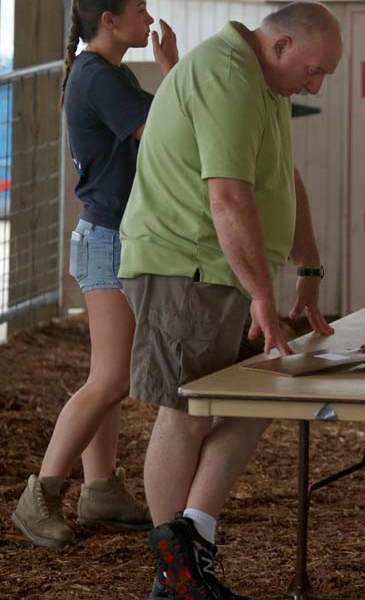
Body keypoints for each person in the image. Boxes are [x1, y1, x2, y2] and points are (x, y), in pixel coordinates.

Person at [116, 2, 339, 597]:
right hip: (187, 265)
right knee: (187, 410)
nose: (314, 85)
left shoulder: (263, 82)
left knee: (257, 397)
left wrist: (309, 264)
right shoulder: (226, 75)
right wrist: (263, 295)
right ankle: (176, 574)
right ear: (282, 45)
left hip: (222, 270)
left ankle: (194, 545)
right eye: (314, 71)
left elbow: (283, 176)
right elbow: (228, 198)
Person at [11, 0, 177, 549]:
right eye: (139, 8)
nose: (149, 17)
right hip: (107, 242)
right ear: (109, 20)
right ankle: (41, 494)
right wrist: (174, 71)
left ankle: (101, 488)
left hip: (111, 238)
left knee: (110, 375)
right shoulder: (99, 77)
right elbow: (166, 136)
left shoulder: (108, 73)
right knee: (111, 379)